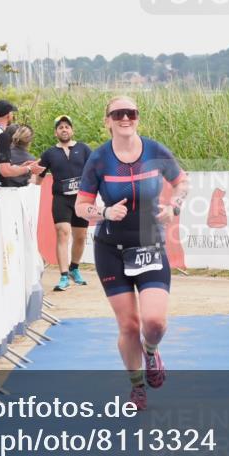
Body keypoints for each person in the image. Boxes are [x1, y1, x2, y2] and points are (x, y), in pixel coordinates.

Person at [74, 96, 189, 410]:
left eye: (132, 113)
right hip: (111, 248)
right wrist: (105, 212)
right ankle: (137, 386)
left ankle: (151, 352)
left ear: (138, 117)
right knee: (129, 326)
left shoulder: (154, 150)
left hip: (149, 242)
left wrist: (174, 206)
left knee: (154, 323)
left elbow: (182, 183)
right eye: (118, 113)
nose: (126, 118)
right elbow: (80, 207)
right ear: (107, 120)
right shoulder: (98, 159)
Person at [38, 115, 92, 291]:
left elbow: (95, 171)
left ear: (72, 130)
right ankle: (63, 276)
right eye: (60, 127)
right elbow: (37, 178)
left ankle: (74, 269)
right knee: (63, 232)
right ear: (55, 132)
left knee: (81, 236)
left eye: (67, 127)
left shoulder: (83, 149)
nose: (64, 130)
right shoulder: (49, 154)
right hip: (61, 199)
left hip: (81, 199)